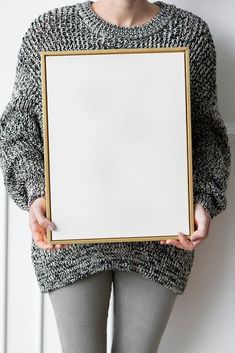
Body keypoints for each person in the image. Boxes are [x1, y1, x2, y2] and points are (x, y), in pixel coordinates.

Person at [0, 0, 231, 352]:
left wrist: (202, 199)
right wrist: (37, 193)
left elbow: (206, 136)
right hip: (69, 235)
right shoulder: (49, 31)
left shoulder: (190, 34)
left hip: (162, 238)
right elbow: (18, 129)